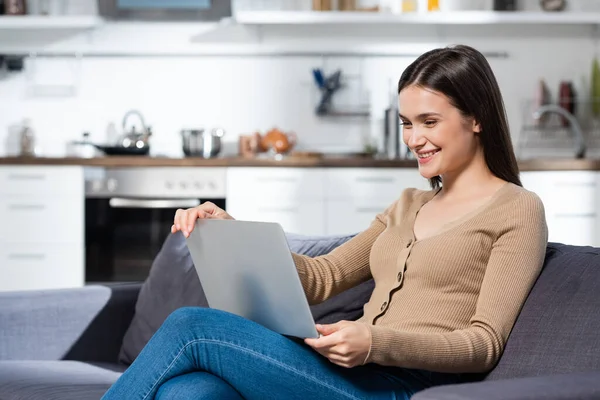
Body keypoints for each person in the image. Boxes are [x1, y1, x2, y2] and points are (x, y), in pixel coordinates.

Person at [101, 44, 548, 400]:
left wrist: (375, 341)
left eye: (429, 121)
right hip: (339, 375)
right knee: (191, 391)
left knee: (190, 325)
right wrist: (230, 229)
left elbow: (484, 343)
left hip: (402, 387)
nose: (414, 139)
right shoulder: (408, 204)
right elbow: (324, 276)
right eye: (407, 123)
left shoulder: (517, 209)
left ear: (476, 119)